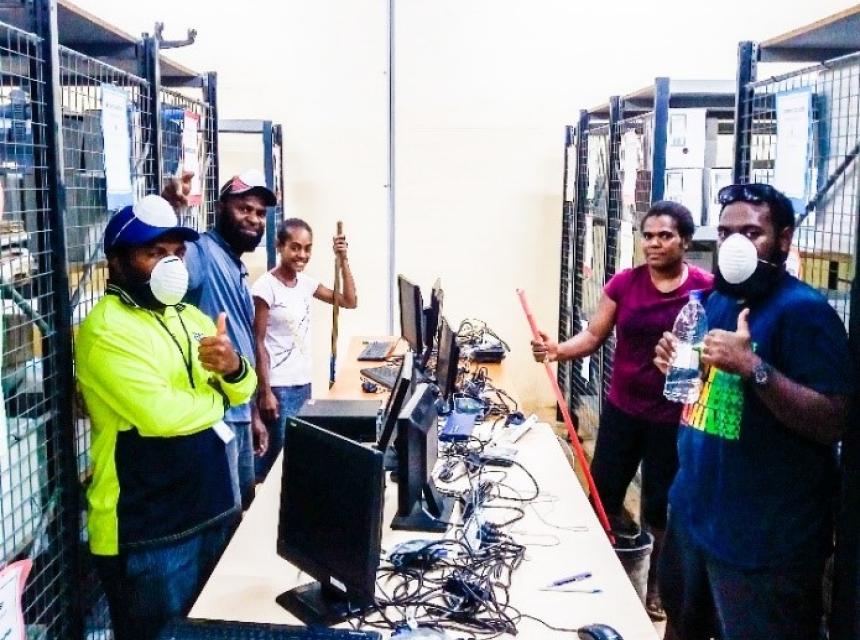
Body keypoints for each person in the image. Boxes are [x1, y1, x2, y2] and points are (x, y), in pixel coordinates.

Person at [654, 183, 854, 640]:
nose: (735, 245)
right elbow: (707, 391)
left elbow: (834, 420)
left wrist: (753, 368)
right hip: (695, 512)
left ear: (783, 239)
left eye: (751, 233)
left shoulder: (804, 313)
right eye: (726, 233)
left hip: (762, 539)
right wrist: (681, 365)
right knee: (681, 625)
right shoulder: (717, 301)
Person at [75, 196, 257, 640]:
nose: (171, 264)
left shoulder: (191, 317)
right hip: (150, 531)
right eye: (154, 253)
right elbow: (162, 416)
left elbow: (244, 388)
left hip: (210, 508)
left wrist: (233, 367)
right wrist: (218, 400)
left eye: (176, 252)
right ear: (118, 260)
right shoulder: (106, 328)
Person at [531, 200, 712, 618]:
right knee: (602, 495)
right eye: (648, 236)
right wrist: (557, 350)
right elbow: (593, 335)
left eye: (665, 236)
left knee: (661, 509)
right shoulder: (625, 284)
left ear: (685, 241)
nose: (654, 244)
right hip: (623, 412)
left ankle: (657, 589)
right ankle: (593, 569)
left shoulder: (706, 289)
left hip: (674, 418)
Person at [163, 169, 275, 510]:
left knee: (241, 509)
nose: (254, 218)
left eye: (260, 213)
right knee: (223, 516)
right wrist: (168, 206)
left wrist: (253, 413)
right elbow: (162, 266)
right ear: (221, 207)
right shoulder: (201, 251)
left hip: (238, 411)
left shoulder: (234, 264)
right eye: (244, 208)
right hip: (214, 417)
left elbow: (243, 345)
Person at [252, 217, 357, 479]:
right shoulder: (265, 287)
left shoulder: (306, 283)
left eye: (307, 248)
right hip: (278, 388)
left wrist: (343, 259)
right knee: (275, 467)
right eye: (295, 247)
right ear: (279, 246)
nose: (302, 255)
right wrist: (265, 391)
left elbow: (349, 301)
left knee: (296, 462)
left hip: (302, 384)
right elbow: (257, 342)